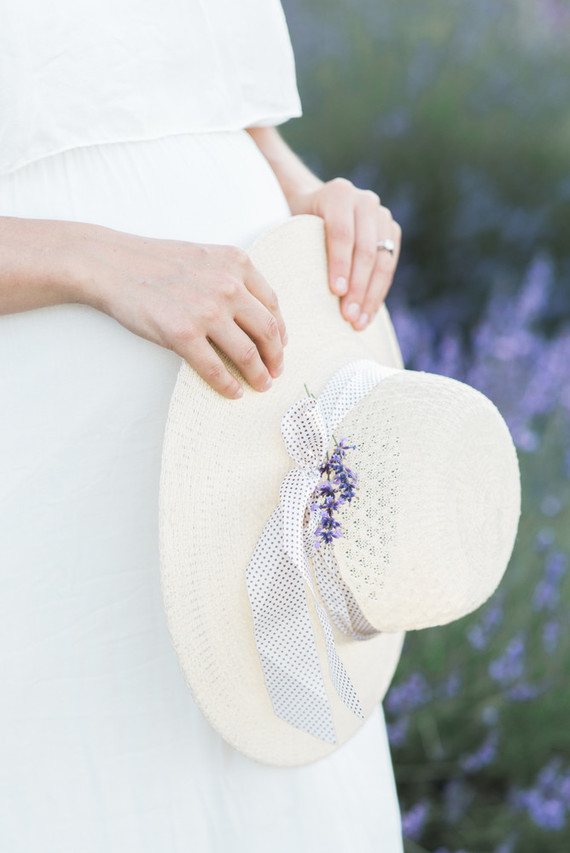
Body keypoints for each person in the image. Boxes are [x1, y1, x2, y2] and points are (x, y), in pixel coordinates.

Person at [0, 1, 404, 850]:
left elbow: (206, 90)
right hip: (48, 476)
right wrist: (92, 257)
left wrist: (303, 195)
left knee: (280, 789)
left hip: (254, 461)